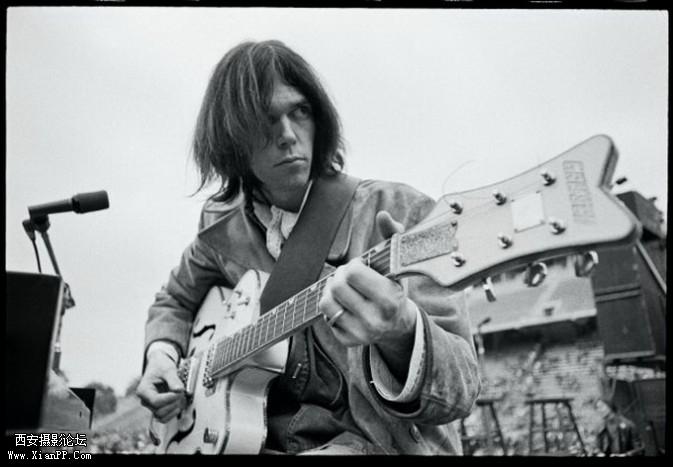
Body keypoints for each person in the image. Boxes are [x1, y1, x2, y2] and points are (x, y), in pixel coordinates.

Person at [136, 39, 480, 455]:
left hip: (371, 445)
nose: (287, 135)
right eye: (264, 120)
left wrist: (403, 332)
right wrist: (162, 355)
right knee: (54, 445)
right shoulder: (221, 228)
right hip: (248, 442)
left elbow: (461, 389)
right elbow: (173, 299)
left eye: (299, 111)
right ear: (230, 140)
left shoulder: (399, 213)